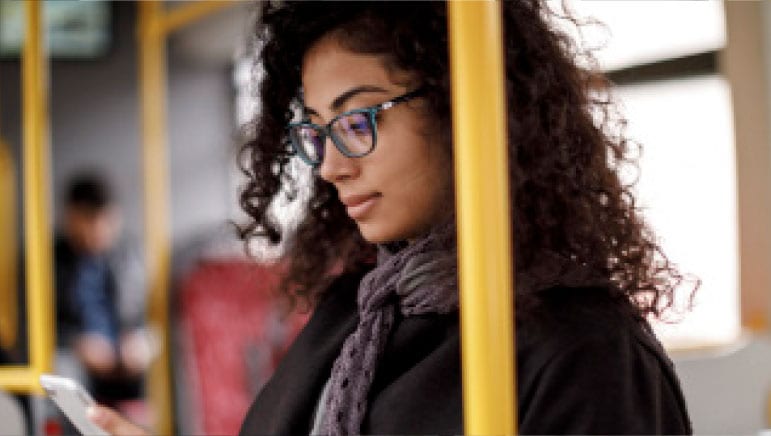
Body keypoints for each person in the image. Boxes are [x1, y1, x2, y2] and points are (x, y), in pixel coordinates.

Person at [91, 1, 695, 434]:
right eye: (317, 131)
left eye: (356, 122)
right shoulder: (353, 310)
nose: (328, 167)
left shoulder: (587, 352)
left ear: (464, 108)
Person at [54, 173, 150, 409]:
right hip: (75, 357)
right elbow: (35, 327)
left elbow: (142, 314)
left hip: (121, 356)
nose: (98, 228)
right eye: (89, 219)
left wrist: (136, 338)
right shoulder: (49, 262)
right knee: (63, 368)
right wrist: (77, 344)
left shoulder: (130, 256)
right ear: (71, 218)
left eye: (106, 219)